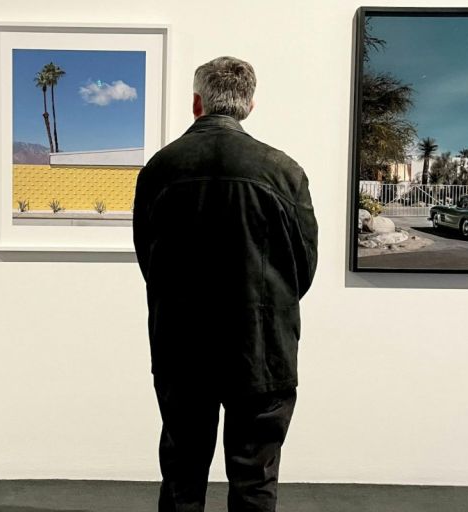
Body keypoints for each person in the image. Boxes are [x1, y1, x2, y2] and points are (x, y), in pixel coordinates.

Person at [132, 56, 318, 512]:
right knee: (255, 478)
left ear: (197, 103)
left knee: (182, 474)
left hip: (181, 344)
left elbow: (148, 258)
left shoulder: (159, 169)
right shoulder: (283, 170)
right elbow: (303, 267)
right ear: (249, 105)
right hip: (262, 347)